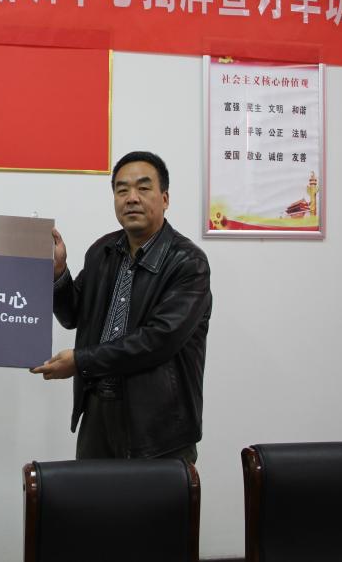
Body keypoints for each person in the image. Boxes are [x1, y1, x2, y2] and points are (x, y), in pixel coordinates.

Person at [32, 151, 212, 461]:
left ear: (165, 198)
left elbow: (158, 340)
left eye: (143, 188)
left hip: (159, 428)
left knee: (154, 497)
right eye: (122, 189)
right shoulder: (102, 251)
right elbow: (73, 314)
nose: (131, 198)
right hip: (97, 415)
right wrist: (59, 273)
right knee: (91, 495)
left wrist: (80, 360)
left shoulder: (188, 263)